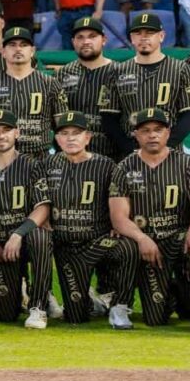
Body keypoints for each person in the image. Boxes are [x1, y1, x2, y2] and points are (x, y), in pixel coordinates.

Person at [108, 108, 190, 334]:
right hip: (150, 244)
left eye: (158, 130)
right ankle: (177, 292)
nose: (152, 135)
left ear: (168, 133)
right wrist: (141, 238)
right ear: (136, 135)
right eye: (145, 131)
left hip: (179, 237)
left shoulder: (186, 164)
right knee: (155, 319)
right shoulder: (124, 167)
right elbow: (118, 218)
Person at [46, 112, 139, 328]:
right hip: (66, 247)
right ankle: (91, 302)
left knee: (128, 247)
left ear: (87, 137)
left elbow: (121, 202)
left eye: (76, 133)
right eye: (64, 133)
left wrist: (117, 224)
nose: (70, 138)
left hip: (97, 242)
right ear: (57, 138)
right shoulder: (46, 165)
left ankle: (120, 307)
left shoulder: (107, 166)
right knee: (76, 317)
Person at [0, 110, 53, 329]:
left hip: (23, 241)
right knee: (7, 315)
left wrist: (19, 234)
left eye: (7, 130)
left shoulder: (32, 164)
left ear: (17, 133)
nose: (1, 135)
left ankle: (38, 305)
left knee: (40, 236)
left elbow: (43, 207)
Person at [100, 13, 190, 155]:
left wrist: (167, 145)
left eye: (150, 33)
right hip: (130, 154)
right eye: (138, 33)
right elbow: (108, 117)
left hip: (170, 153)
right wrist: (129, 148)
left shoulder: (181, 69)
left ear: (161, 36)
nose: (144, 37)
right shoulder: (116, 72)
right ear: (131, 38)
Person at [0, 27, 68, 158]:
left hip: (40, 160)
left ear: (32, 51)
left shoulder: (50, 83)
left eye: (24, 45)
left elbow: (64, 127)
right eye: (12, 45)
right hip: (0, 160)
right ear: (3, 52)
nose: (18, 49)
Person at [54, 17, 116, 158]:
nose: (86, 42)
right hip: (71, 156)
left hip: (112, 155)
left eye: (92, 36)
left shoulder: (120, 73)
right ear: (73, 42)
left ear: (104, 40)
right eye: (80, 37)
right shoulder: (63, 74)